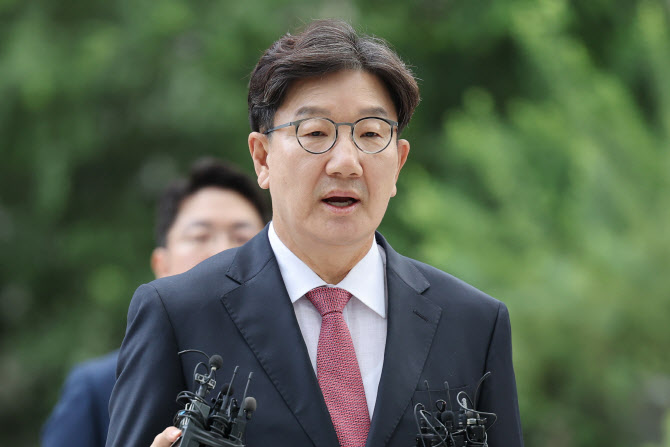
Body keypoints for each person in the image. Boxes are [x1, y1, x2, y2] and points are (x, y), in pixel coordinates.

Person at [108, 19, 524, 447]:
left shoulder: (473, 322)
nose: (346, 163)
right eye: (315, 133)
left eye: (370, 134)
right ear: (262, 157)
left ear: (399, 162)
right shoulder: (178, 313)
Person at [41, 158, 268, 447]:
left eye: (242, 237)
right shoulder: (96, 388)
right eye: (200, 236)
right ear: (161, 265)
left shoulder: (299, 369)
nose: (223, 252)